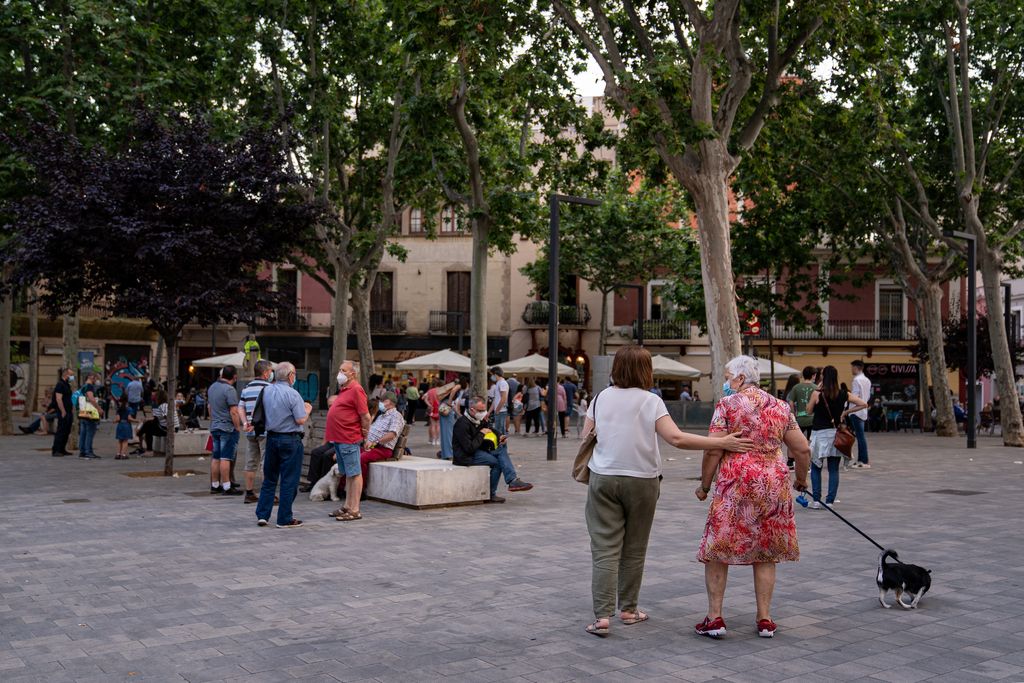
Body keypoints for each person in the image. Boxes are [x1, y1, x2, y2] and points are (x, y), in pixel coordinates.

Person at [581, 346, 756, 638]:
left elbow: (585, 436)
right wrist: (721, 442)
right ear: (646, 370)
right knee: (634, 548)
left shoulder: (599, 398)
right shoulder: (651, 401)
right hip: (643, 481)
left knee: (604, 550)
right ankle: (629, 609)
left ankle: (601, 617)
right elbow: (676, 438)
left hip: (603, 477)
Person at [693, 355, 810, 640]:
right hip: (773, 487)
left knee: (718, 549)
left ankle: (715, 618)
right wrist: (801, 480)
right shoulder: (781, 407)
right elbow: (802, 449)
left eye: (728, 376)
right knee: (766, 550)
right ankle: (765, 619)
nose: (726, 382)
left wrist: (704, 485)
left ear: (741, 379)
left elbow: (713, 449)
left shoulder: (727, 405)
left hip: (736, 486)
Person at [254, 362, 313, 528]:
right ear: (290, 375)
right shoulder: (293, 394)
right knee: (289, 480)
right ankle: (284, 518)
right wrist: (307, 409)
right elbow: (300, 419)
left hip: (271, 438)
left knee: (270, 478)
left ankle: (263, 514)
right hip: (290, 439)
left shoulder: (266, 391)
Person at [806, 365, 868, 510]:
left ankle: (816, 500)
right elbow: (863, 404)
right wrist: (846, 412)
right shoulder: (843, 393)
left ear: (823, 377)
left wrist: (815, 393)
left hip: (819, 434)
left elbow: (808, 411)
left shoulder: (817, 394)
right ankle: (829, 501)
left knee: (816, 467)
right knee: (833, 469)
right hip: (835, 435)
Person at [452, 395, 533, 503]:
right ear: (471, 409)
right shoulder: (462, 424)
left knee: (501, 447)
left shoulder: (478, 419)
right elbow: (469, 448)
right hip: (465, 456)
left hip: (478, 450)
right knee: (497, 463)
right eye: (480, 410)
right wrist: (481, 434)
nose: (483, 413)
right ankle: (495, 491)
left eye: (484, 409)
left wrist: (500, 436)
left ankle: (512, 481)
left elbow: (490, 428)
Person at [337, 391, 406, 498]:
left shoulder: (396, 416)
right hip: (369, 446)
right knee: (348, 454)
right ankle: (341, 489)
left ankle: (360, 491)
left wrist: (374, 443)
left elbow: (391, 435)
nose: (380, 403)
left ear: (388, 402)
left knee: (360, 459)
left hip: (382, 449)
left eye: (382, 401)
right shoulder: (382, 416)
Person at [326, 360, 371, 521]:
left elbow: (365, 416)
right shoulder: (344, 389)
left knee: (355, 473)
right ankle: (347, 505)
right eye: (340, 370)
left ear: (353, 373)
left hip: (349, 437)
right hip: (340, 438)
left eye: (343, 370)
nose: (340, 373)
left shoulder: (356, 390)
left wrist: (366, 436)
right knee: (348, 474)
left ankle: (355, 509)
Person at [240, 360, 274, 504]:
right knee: (266, 462)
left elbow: (240, 407)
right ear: (266, 373)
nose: (272, 374)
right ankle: (268, 495)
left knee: (250, 462)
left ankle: (249, 492)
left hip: (250, 431)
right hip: (265, 430)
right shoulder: (270, 388)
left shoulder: (246, 389)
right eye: (271, 371)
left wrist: (245, 423)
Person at [207, 365, 244, 496]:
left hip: (215, 427)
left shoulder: (212, 387)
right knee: (225, 458)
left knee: (216, 457)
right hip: (227, 428)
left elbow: (209, 408)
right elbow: (234, 411)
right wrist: (237, 427)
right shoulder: (229, 390)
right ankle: (227, 486)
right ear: (234, 376)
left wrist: (213, 421)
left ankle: (215, 484)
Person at [786, 366, 818, 470]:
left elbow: (790, 401)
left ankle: (790, 462)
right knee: (810, 442)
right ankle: (807, 464)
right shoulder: (816, 388)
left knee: (793, 440)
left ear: (803, 375)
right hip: (812, 418)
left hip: (799, 418)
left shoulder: (796, 387)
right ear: (813, 375)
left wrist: (793, 413)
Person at [849, 360, 872, 468]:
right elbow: (867, 397)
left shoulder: (856, 380)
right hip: (863, 410)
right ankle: (862, 459)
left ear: (857, 368)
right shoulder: (867, 380)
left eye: (852, 367)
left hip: (855, 410)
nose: (851, 370)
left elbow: (854, 397)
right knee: (860, 436)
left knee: (859, 436)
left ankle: (863, 460)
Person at [50, 368, 75, 456]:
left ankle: (62, 449)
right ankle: (56, 450)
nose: (72, 377)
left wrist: (71, 409)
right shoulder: (60, 385)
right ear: (66, 375)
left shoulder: (67, 385)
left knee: (67, 431)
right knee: (61, 430)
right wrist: (63, 411)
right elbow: (58, 399)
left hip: (68, 411)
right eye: (71, 375)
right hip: (63, 412)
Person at [77, 373, 102, 459]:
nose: (96, 380)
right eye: (96, 378)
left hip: (83, 411)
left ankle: (82, 451)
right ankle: (88, 451)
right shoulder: (90, 386)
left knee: (83, 432)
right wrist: (99, 408)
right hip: (90, 411)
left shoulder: (83, 386)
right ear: (91, 377)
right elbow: (91, 398)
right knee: (90, 432)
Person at [438, 382, 459, 460]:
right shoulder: (456, 385)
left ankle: (445, 453)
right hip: (447, 408)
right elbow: (454, 389)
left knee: (445, 433)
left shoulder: (443, 396)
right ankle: (449, 453)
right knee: (448, 433)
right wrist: (450, 400)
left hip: (444, 407)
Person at [113, 395, 135, 459]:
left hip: (120, 425)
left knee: (120, 440)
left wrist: (114, 421)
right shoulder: (129, 409)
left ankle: (118, 454)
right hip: (126, 425)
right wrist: (136, 420)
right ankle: (123, 454)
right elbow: (129, 418)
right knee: (125, 441)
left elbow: (118, 419)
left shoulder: (119, 409)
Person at [425, 379, 442, 446]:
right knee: (438, 425)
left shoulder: (430, 391)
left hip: (432, 409)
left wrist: (429, 405)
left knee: (432, 425)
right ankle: (437, 440)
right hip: (439, 409)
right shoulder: (441, 391)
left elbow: (425, 398)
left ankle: (432, 440)